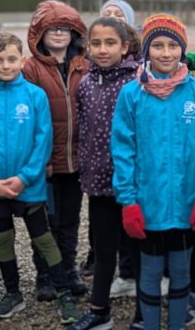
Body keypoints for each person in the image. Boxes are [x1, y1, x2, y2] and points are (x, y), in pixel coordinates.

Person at [112, 14, 195, 330]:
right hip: (147, 204)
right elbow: (123, 152)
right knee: (148, 271)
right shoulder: (131, 95)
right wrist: (128, 201)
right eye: (157, 45)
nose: (165, 53)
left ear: (182, 50)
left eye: (172, 45)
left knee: (181, 270)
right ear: (146, 51)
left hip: (186, 204)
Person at [0, 32, 80, 323]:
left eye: (12, 59)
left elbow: (43, 141)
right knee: (2, 240)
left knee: (43, 238)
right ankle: (13, 292)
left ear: (22, 60)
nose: (6, 65)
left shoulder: (34, 96)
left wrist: (24, 178)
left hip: (28, 186)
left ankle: (64, 291)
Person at [68, 17, 140, 330]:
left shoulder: (137, 83)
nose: (102, 49)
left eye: (110, 43)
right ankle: (99, 311)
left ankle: (144, 310)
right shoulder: (85, 84)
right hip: (98, 184)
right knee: (104, 249)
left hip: (131, 184)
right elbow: (83, 128)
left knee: (137, 248)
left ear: (125, 47)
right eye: (96, 43)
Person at [23, 0, 90, 300]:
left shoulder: (85, 66)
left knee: (71, 219)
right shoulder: (31, 69)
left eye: (65, 28)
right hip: (45, 162)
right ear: (39, 34)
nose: (60, 34)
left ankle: (68, 269)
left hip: (76, 162)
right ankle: (46, 275)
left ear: (75, 33)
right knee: (47, 221)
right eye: (52, 29)